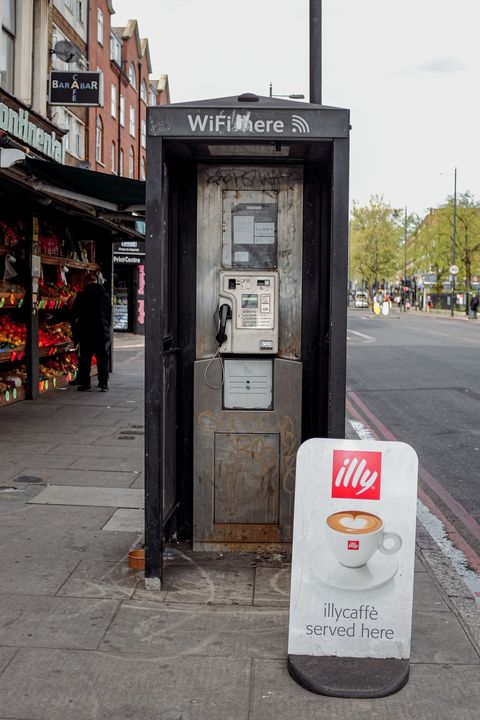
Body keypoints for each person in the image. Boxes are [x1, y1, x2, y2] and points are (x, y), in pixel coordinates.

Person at [71, 271, 111, 391]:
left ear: (86, 282)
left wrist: (75, 329)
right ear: (97, 281)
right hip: (100, 331)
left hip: (86, 331)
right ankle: (103, 384)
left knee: (85, 359)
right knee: (102, 358)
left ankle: (85, 383)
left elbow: (74, 314)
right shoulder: (105, 296)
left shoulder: (82, 295)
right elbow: (108, 314)